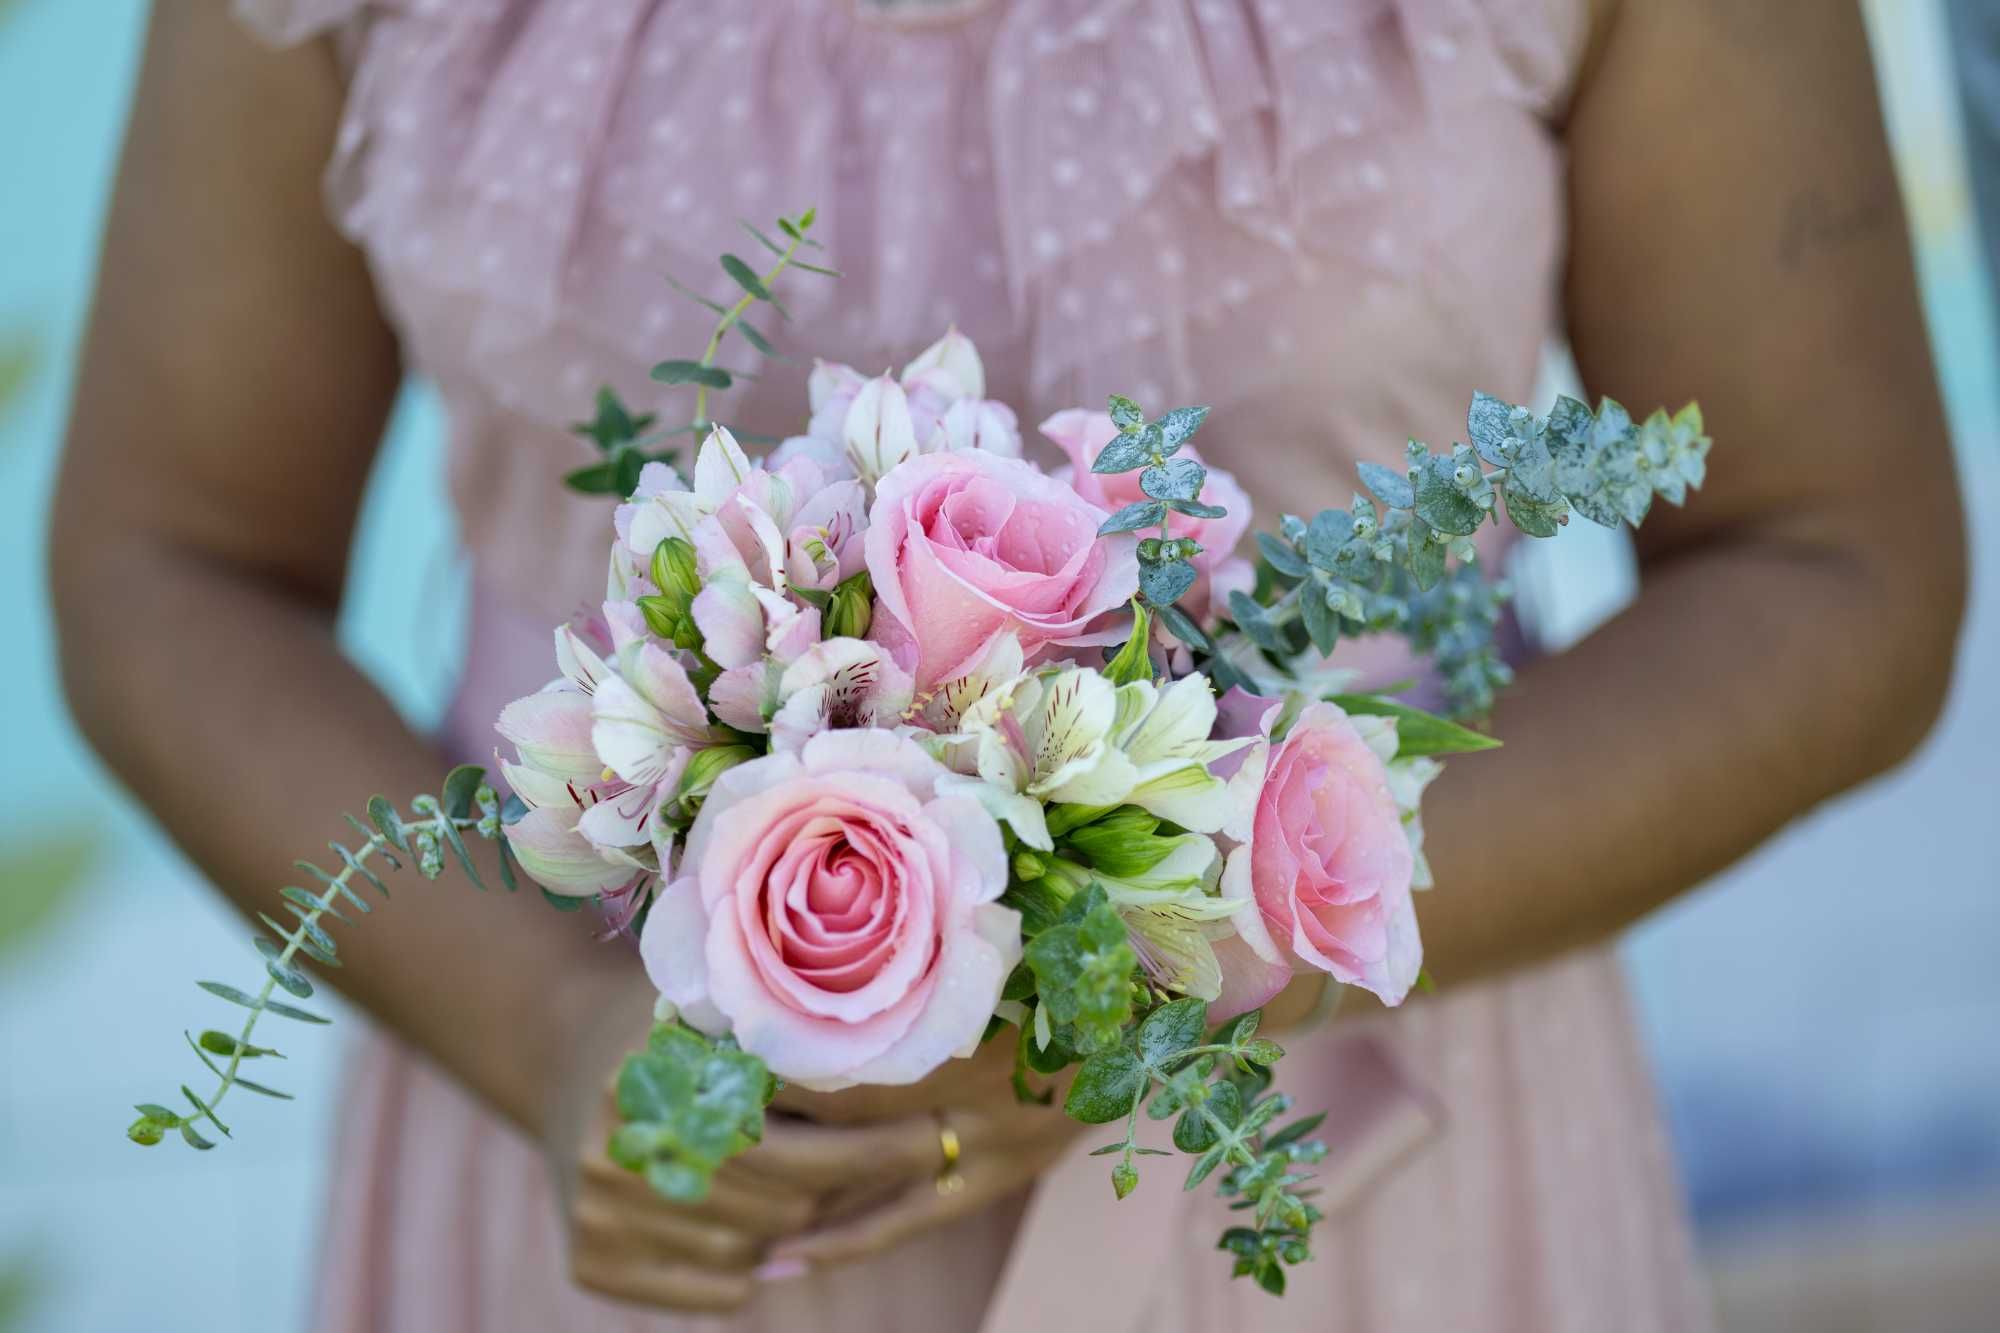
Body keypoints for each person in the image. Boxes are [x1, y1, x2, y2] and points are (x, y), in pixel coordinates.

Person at [50, 1, 1965, 1329]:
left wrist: (1196, 940)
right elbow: (169, 558)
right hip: (647, 1218)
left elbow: (1836, 563)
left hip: (1351, 1206)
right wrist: (545, 1030)